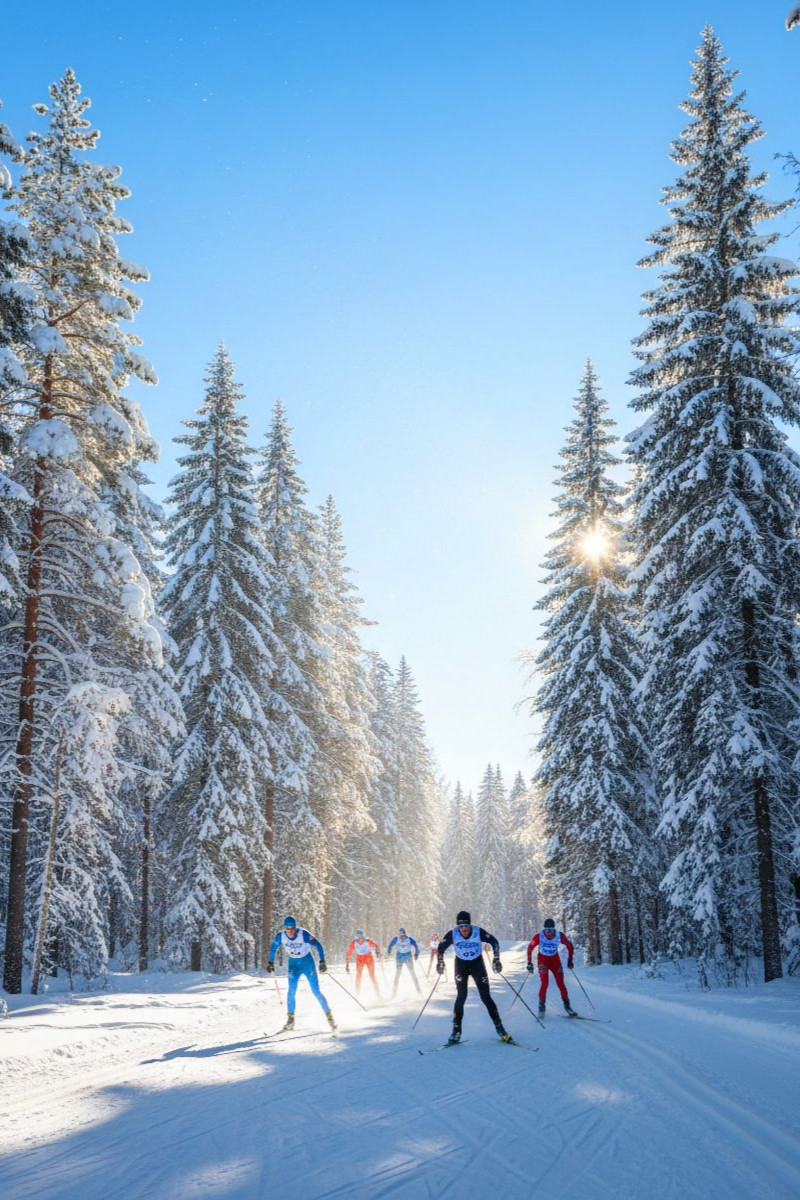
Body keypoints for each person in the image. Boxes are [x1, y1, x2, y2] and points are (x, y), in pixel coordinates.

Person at [436, 910, 511, 1043]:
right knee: (461, 997)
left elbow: (494, 941)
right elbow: (441, 947)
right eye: (461, 926)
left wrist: (497, 959)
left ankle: (500, 1028)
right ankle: (456, 1031)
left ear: (470, 925)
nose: (464, 929)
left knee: (486, 997)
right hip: (461, 965)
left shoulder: (478, 932)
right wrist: (440, 962)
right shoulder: (453, 933)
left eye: (466, 926)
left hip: (477, 964)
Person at [267, 915, 337, 1032]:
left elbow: (318, 945)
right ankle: (290, 1020)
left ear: (295, 927)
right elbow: (273, 948)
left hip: (307, 963)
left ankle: (330, 1018)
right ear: (285, 928)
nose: (290, 931)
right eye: (288, 929)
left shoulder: (303, 934)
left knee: (316, 991)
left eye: (292, 928)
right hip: (293, 965)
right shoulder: (281, 936)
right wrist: (270, 962)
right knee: (291, 990)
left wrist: (322, 961)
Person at [526, 917, 576, 1017]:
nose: (549, 933)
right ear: (544, 929)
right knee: (545, 984)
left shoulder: (559, 936)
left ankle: (567, 1006)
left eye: (551, 930)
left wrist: (570, 960)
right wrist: (529, 963)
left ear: (554, 929)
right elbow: (530, 948)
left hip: (555, 961)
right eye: (547, 930)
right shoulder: (539, 936)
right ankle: (541, 1006)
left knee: (561, 983)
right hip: (543, 961)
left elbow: (570, 946)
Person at [345, 929, 382, 998]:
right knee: (358, 975)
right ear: (356, 937)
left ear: (363, 936)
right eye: (358, 936)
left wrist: (378, 952)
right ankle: (357, 994)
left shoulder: (367, 941)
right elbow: (349, 953)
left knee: (372, 975)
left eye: (361, 936)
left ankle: (378, 994)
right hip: (360, 959)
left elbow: (375, 946)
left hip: (368, 958)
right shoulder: (354, 943)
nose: (360, 938)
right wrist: (347, 964)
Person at [386, 927, 422, 997]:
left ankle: (418, 990)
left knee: (412, 973)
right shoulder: (396, 938)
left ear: (405, 934)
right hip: (399, 957)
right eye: (400, 935)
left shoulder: (409, 939)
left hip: (408, 957)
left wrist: (416, 953)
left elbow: (416, 945)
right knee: (398, 974)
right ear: (398, 934)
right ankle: (394, 992)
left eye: (403, 935)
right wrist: (389, 951)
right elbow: (390, 945)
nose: (402, 936)